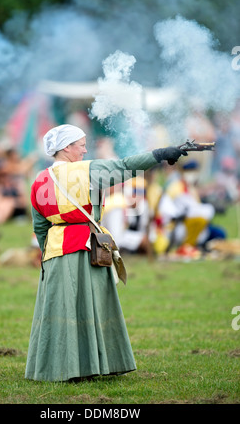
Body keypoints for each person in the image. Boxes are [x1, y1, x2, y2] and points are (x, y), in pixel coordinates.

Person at [25, 124, 187, 382]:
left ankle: (56, 368)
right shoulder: (86, 170)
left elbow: (40, 226)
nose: (85, 149)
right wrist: (158, 155)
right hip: (85, 246)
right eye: (81, 145)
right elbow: (125, 167)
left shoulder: (39, 179)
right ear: (66, 147)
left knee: (60, 310)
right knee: (89, 308)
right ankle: (89, 365)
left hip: (55, 250)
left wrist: (46, 254)